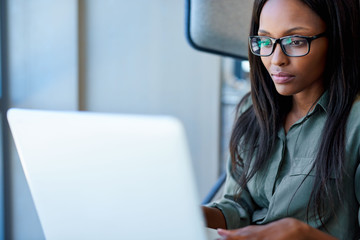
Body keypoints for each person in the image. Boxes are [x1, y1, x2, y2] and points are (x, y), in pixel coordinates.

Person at [202, 0, 360, 239]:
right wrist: (191, 214)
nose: (276, 60)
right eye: (265, 41)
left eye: (295, 41)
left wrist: (302, 234)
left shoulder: (355, 122)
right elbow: (238, 208)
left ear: (337, 38)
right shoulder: (253, 109)